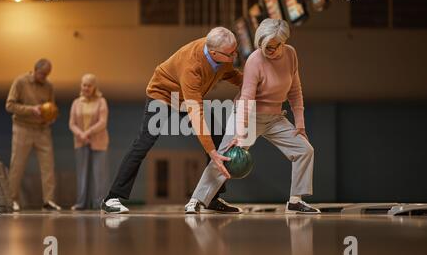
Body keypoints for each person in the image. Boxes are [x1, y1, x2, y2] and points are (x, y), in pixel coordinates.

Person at [101, 27, 243, 214]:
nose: (234, 56)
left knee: (219, 135)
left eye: (235, 50)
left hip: (185, 96)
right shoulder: (192, 66)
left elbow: (230, 73)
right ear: (214, 53)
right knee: (143, 142)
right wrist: (212, 152)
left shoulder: (223, 53)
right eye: (231, 53)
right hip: (163, 94)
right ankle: (111, 198)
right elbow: (195, 111)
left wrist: (255, 83)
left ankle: (211, 197)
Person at [186, 19, 320, 214]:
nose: (268, 50)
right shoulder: (255, 60)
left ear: (283, 42)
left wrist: (300, 124)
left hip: (275, 118)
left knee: (305, 150)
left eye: (273, 47)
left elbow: (295, 91)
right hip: (248, 115)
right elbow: (247, 98)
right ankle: (197, 200)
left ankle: (295, 200)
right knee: (225, 155)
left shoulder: (290, 55)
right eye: (263, 45)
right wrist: (239, 135)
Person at [6, 58, 61, 211]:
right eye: (42, 74)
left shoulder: (49, 86)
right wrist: (32, 109)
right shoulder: (20, 82)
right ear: (35, 70)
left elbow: (52, 106)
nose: (44, 77)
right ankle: (12, 199)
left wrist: (51, 116)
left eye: (47, 74)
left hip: (42, 130)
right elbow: (9, 105)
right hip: (22, 128)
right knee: (17, 165)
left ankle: (48, 201)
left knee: (48, 166)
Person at [69, 74, 110, 210]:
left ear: (94, 87)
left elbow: (102, 122)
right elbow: (72, 123)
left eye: (89, 85)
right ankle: (82, 203)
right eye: (84, 85)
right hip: (81, 141)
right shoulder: (76, 103)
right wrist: (80, 134)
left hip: (98, 142)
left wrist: (88, 132)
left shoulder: (101, 101)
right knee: (82, 173)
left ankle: (99, 203)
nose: (86, 87)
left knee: (99, 174)